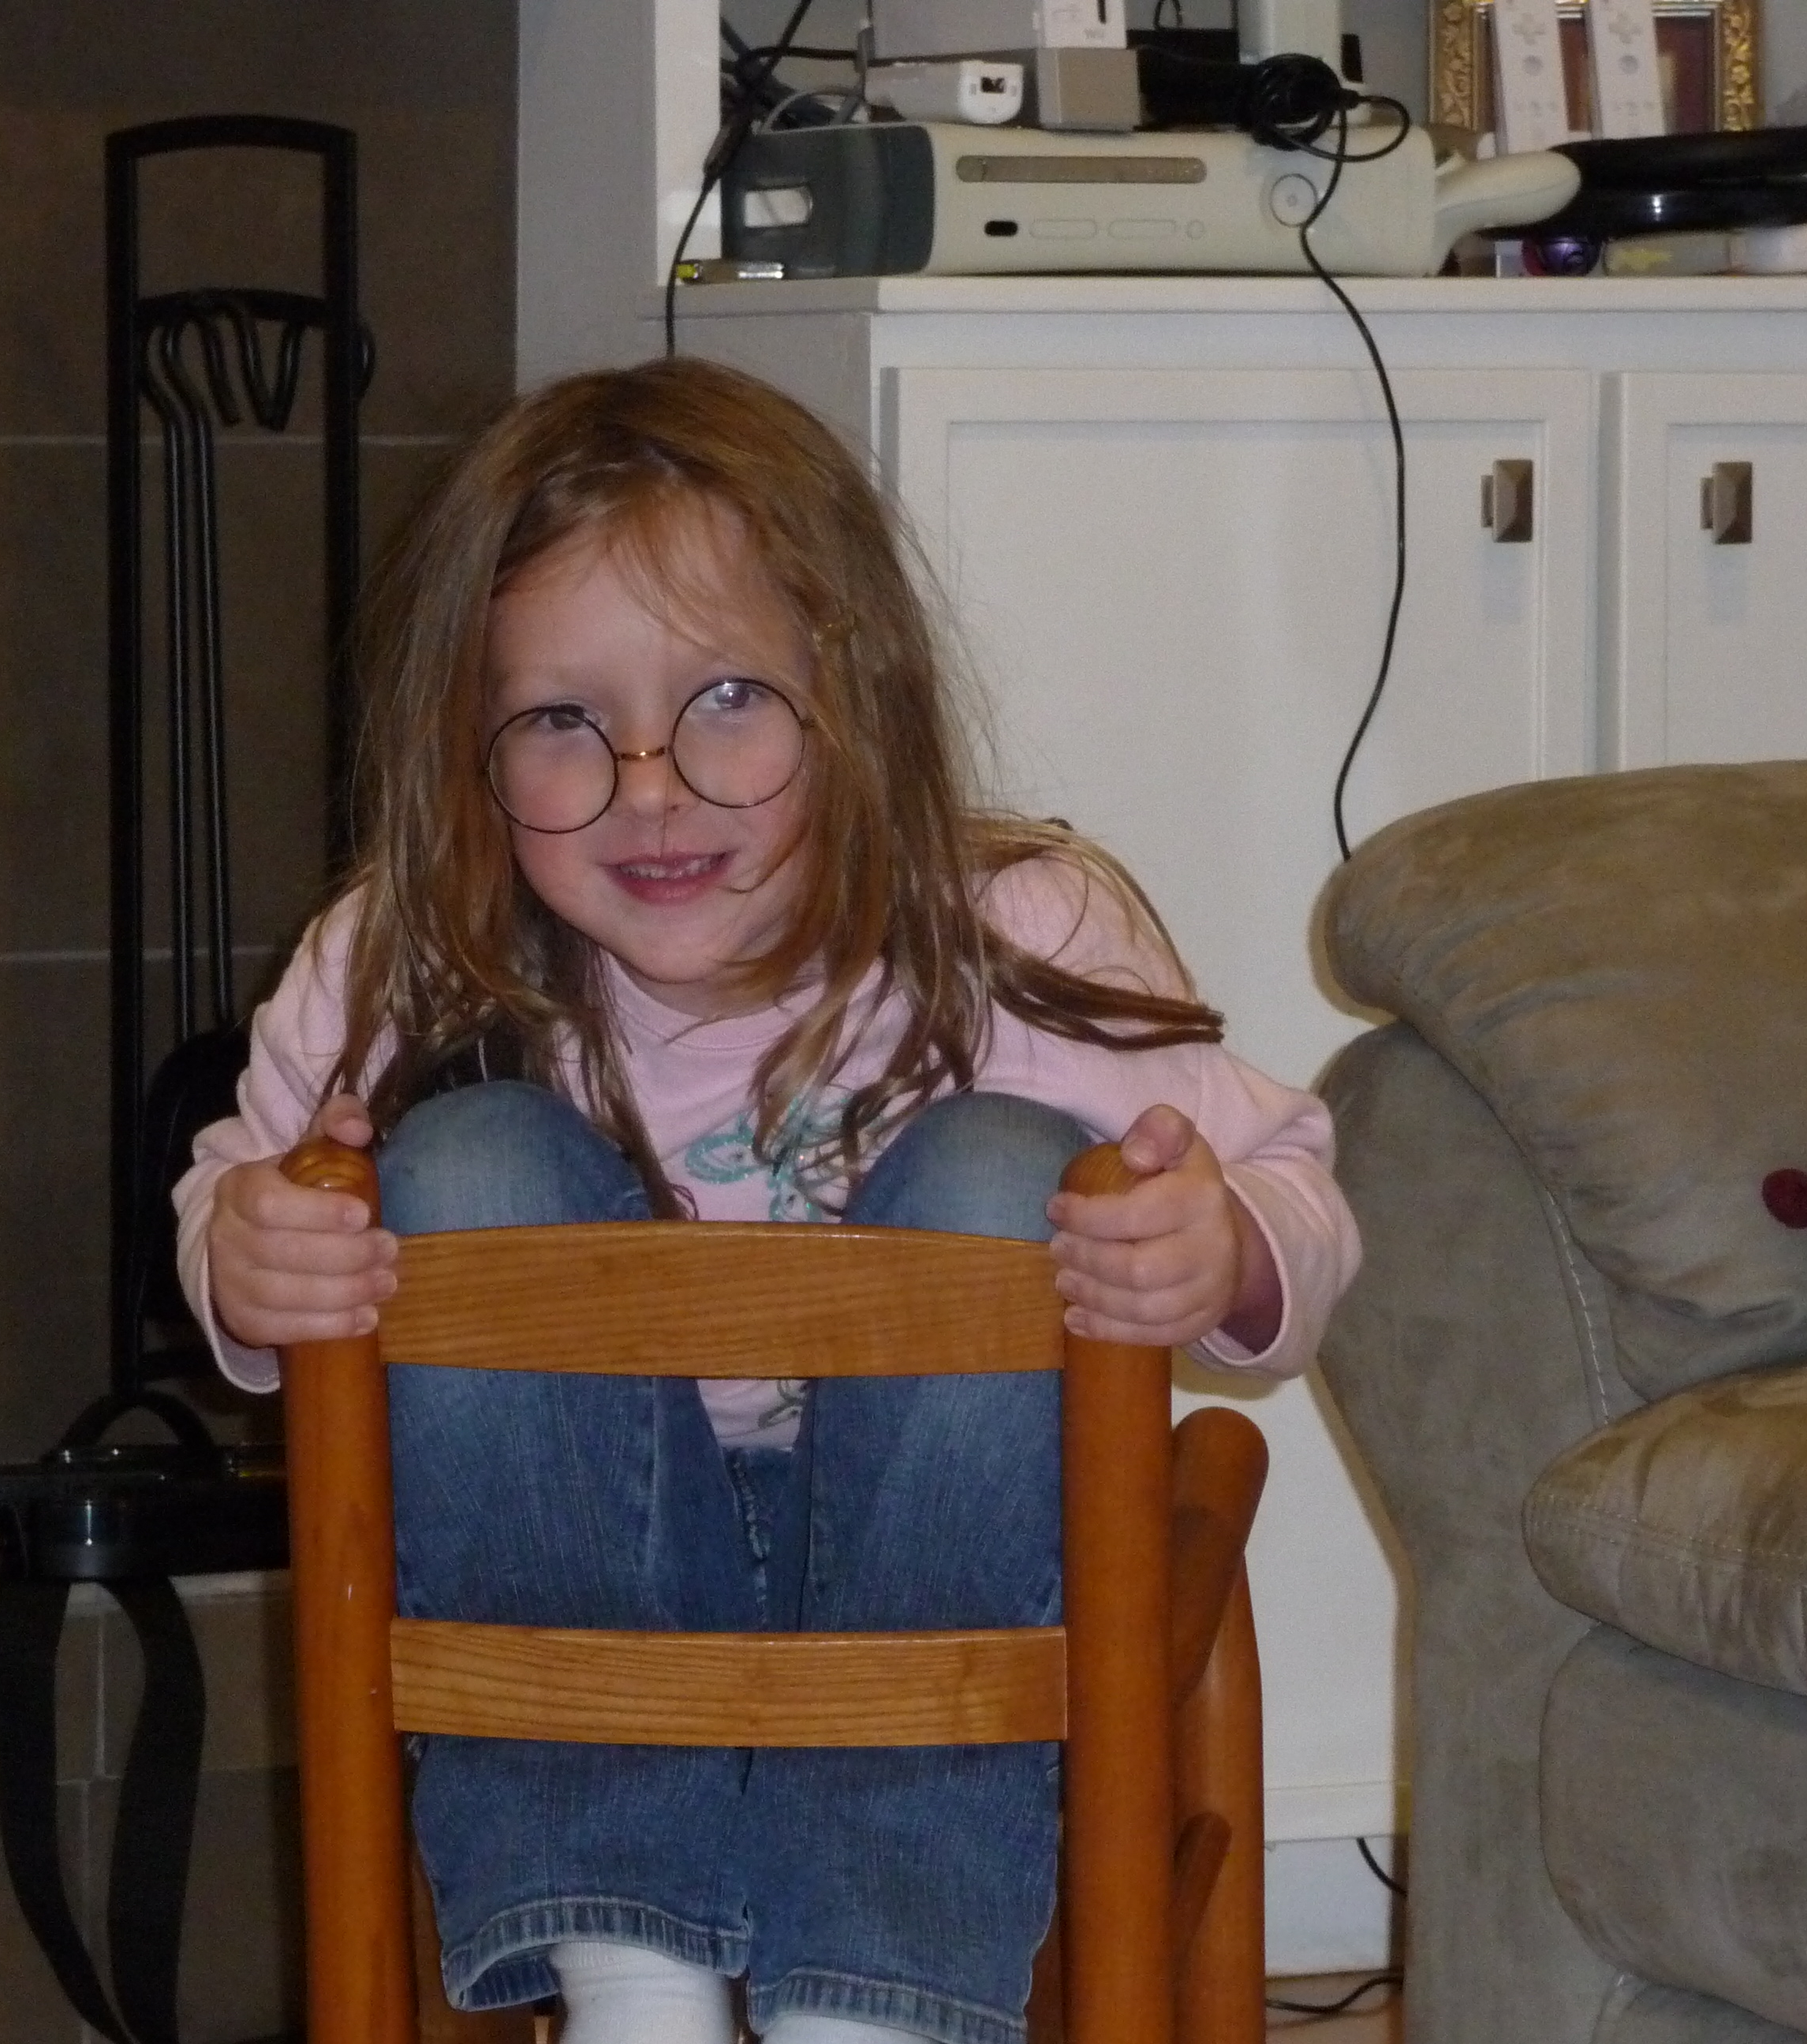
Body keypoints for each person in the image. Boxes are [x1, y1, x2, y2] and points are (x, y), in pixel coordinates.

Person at [174, 356, 1357, 2044]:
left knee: (1002, 1174)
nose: (650, 786)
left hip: (924, 1560)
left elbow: (1295, 1181)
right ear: (468, 747)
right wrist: (249, 1253)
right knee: (464, 1168)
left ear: (853, 692)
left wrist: (1217, 1246)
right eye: (562, 723)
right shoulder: (405, 959)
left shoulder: (1012, 930)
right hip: (580, 1569)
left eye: (726, 698)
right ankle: (634, 1981)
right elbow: (241, 1182)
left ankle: (868, 2007)